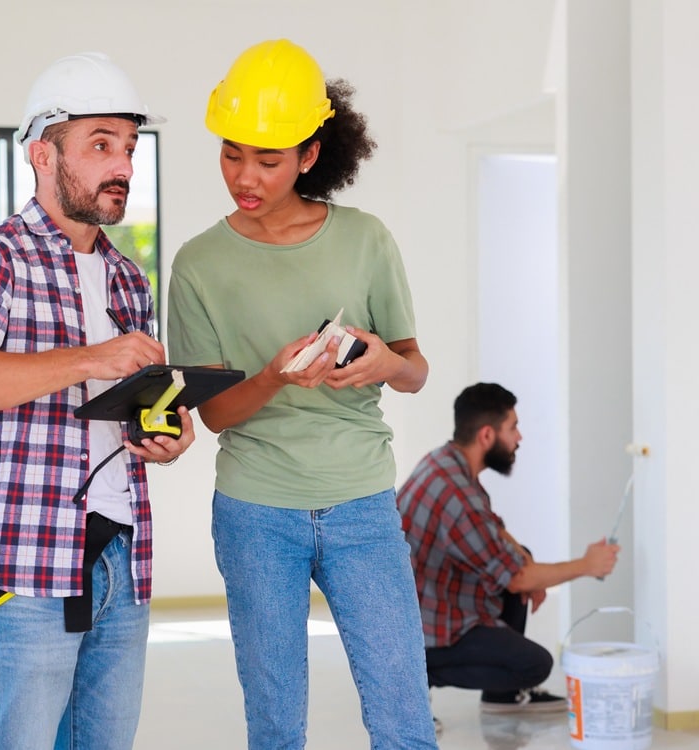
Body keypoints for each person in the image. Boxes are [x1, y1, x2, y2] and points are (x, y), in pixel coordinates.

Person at [167, 39, 438, 749]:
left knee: (405, 721)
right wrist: (273, 376)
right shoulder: (198, 264)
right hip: (257, 512)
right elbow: (216, 414)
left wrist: (381, 359)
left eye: (268, 159)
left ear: (310, 155)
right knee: (276, 726)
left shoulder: (365, 240)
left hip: (363, 506)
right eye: (232, 153)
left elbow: (416, 371)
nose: (244, 176)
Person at [0, 52, 195, 750]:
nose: (123, 165)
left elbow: (127, 408)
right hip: (21, 567)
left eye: (129, 147)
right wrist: (92, 358)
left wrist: (165, 434)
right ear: (43, 155)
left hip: (120, 561)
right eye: (101, 144)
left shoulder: (129, 278)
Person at [398, 383, 620, 714]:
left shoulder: (446, 460)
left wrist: (529, 566)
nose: (520, 437)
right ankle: (416, 680)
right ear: (487, 435)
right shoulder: (459, 496)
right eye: (513, 428)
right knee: (535, 664)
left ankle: (500, 696)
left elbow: (494, 529)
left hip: (428, 600)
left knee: (521, 558)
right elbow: (517, 578)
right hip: (422, 630)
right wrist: (587, 565)